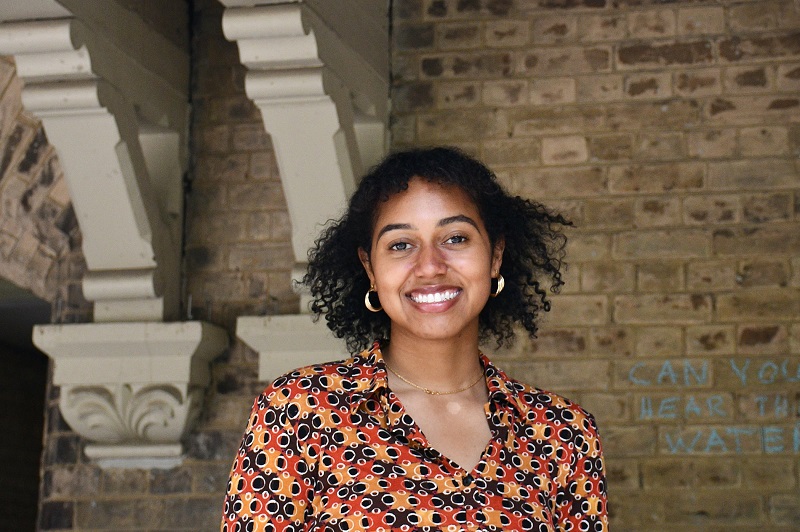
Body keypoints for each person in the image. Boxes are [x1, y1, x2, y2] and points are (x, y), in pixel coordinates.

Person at [221, 147, 608, 531]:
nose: (429, 267)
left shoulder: (564, 433)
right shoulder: (299, 410)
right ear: (370, 269)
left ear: (495, 256)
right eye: (401, 245)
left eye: (455, 238)